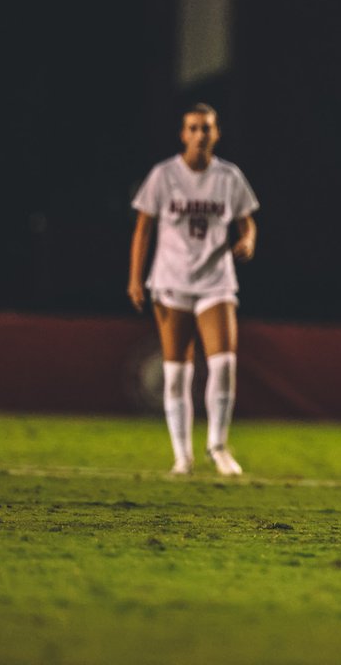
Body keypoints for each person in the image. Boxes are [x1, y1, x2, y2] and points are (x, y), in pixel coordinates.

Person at [128, 103, 259, 476]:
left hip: (215, 280)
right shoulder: (164, 175)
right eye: (194, 128)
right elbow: (143, 229)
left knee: (224, 365)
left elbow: (247, 224)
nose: (201, 134)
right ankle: (182, 455)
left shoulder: (229, 177)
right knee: (176, 372)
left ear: (216, 133)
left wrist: (248, 241)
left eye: (207, 128)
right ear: (183, 134)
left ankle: (217, 446)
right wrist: (135, 278)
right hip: (171, 281)